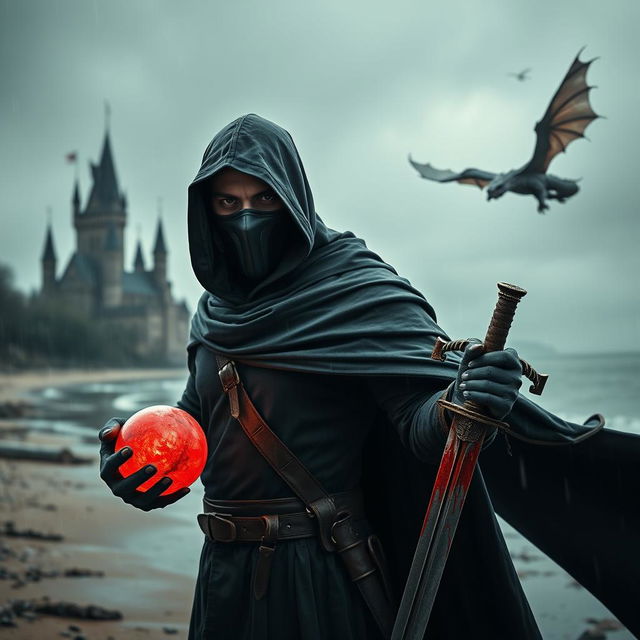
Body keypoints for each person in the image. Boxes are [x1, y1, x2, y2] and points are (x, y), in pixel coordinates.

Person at [99, 114, 639, 640]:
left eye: (263, 199)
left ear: (292, 199)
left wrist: (462, 398)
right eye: (228, 202)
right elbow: (194, 421)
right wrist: (140, 469)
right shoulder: (215, 314)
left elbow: (418, 425)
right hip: (222, 576)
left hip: (320, 574)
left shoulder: (354, 293)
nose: (245, 218)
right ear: (207, 210)